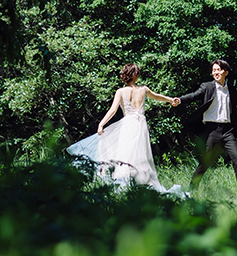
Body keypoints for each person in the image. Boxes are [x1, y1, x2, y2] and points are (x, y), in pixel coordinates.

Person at [67, 63, 186, 195]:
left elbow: (113, 110)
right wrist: (170, 100)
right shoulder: (143, 89)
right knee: (141, 154)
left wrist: (101, 124)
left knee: (126, 154)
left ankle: (125, 183)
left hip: (128, 124)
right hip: (140, 125)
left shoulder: (121, 91)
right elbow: (157, 96)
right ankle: (140, 182)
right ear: (136, 75)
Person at [174, 59, 237, 193]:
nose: (215, 73)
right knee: (205, 162)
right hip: (211, 130)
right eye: (213, 70)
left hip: (227, 131)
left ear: (226, 72)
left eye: (218, 70)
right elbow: (194, 96)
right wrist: (180, 100)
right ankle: (192, 189)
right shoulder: (207, 87)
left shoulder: (230, 89)